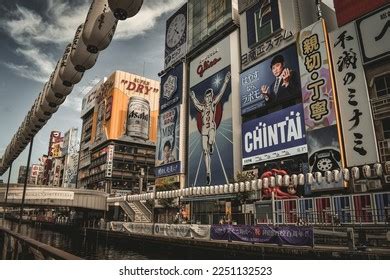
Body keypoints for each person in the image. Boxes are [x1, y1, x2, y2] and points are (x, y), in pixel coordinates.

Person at [189, 71, 231, 185]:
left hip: (212, 127)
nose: (208, 98)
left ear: (211, 97)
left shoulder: (213, 104)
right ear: (205, 97)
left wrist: (226, 82)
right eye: (207, 96)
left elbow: (221, 94)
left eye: (210, 96)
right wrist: (193, 97)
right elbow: (197, 104)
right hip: (204, 130)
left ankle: (211, 144)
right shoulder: (202, 107)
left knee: (211, 139)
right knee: (205, 152)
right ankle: (208, 173)